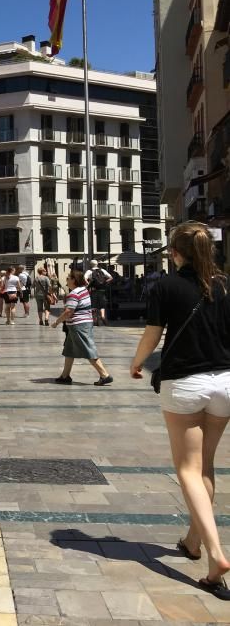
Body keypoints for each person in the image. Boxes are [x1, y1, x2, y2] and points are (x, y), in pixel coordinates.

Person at [129, 222, 230, 595]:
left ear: (175, 252)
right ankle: (193, 540)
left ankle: (216, 554)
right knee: (205, 465)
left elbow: (153, 334)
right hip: (224, 382)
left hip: (185, 383)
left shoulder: (164, 286)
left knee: (187, 469)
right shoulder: (224, 284)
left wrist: (137, 363)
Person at [51, 269, 113, 385]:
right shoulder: (83, 290)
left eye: (69, 277)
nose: (67, 279)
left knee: (88, 349)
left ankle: (105, 375)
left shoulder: (74, 294)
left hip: (78, 325)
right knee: (69, 350)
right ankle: (65, 376)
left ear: (74, 280)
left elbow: (69, 312)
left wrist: (57, 322)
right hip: (82, 323)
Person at [85, 259, 113, 325]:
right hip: (102, 290)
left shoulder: (89, 271)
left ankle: (95, 319)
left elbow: (84, 278)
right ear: (97, 264)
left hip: (94, 290)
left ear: (91, 265)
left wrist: (88, 283)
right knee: (102, 305)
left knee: (93, 305)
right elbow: (111, 277)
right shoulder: (102, 270)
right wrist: (104, 283)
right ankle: (103, 316)